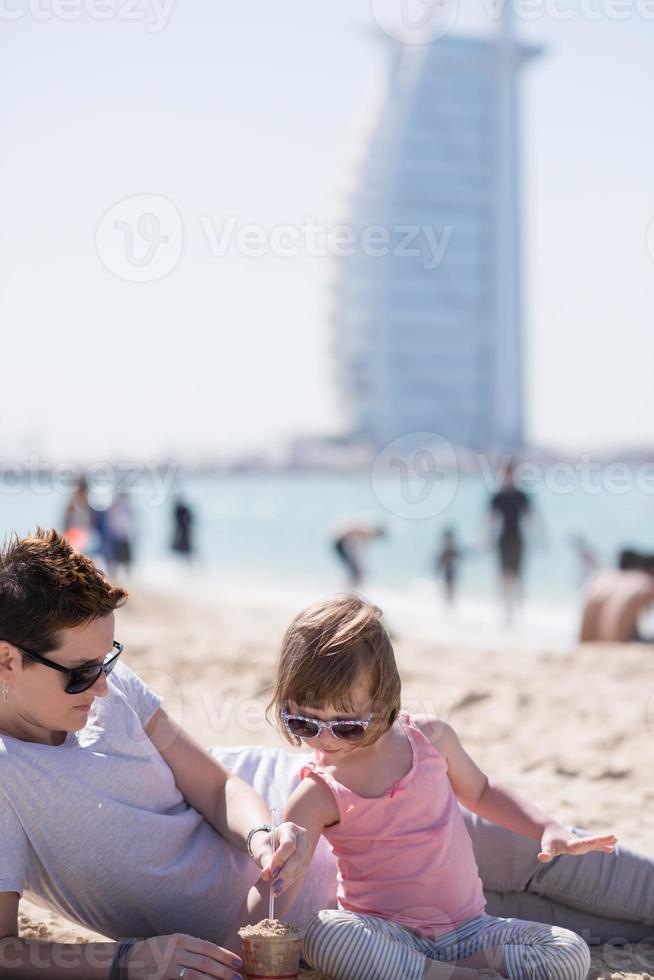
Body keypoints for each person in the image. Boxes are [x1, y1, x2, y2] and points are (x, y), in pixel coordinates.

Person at [2, 532, 654, 979]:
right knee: (559, 933)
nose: (104, 682)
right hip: (355, 928)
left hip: (364, 794)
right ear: (7, 659)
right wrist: (130, 962)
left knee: (580, 872)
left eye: (109, 660)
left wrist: (263, 835)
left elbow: (216, 783)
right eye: (82, 672)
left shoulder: (114, 690)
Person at [242, 595, 619, 979]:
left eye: (346, 724)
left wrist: (546, 828)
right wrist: (231, 947)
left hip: (471, 932)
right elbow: (279, 886)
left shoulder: (430, 739)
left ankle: (444, 973)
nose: (325, 739)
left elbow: (483, 792)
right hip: (386, 935)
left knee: (570, 951)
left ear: (384, 697)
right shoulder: (318, 793)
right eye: (303, 723)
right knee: (326, 934)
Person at [488, 463, 533, 626]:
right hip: (504, 539)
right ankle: (506, 612)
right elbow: (490, 520)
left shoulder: (522, 496)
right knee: (504, 577)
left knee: (517, 577)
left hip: (518, 539)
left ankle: (516, 611)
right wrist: (486, 540)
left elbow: (530, 518)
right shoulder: (497, 496)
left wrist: (539, 541)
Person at [331, 520, 386, 590]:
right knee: (355, 572)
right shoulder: (366, 532)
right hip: (340, 543)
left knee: (355, 572)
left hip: (341, 543)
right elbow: (354, 546)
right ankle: (348, 590)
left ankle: (350, 589)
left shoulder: (366, 531)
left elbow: (362, 550)